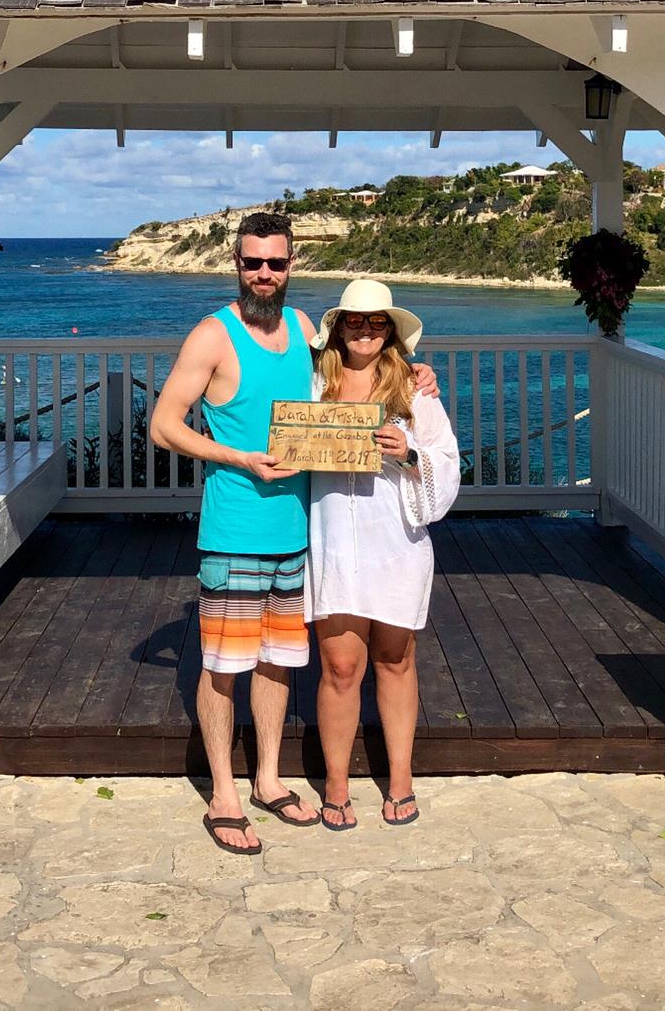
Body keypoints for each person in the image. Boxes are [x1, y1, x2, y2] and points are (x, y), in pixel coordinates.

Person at [151, 212, 436, 855]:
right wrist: (240, 458)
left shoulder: (307, 329)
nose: (264, 273)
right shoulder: (212, 336)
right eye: (253, 262)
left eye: (276, 263)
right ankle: (225, 794)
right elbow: (164, 426)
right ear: (236, 263)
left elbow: (357, 368)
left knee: (279, 663)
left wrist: (418, 373)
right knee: (224, 665)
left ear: (291, 266)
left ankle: (270, 779)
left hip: (301, 530)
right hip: (236, 526)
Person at [306, 279, 459, 830]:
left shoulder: (416, 392)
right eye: (354, 320)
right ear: (338, 326)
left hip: (397, 543)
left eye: (376, 322)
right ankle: (337, 785)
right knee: (340, 666)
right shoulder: (311, 380)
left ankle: (399, 781)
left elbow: (447, 464)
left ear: (390, 329)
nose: (366, 330)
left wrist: (410, 450)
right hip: (333, 543)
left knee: (395, 660)